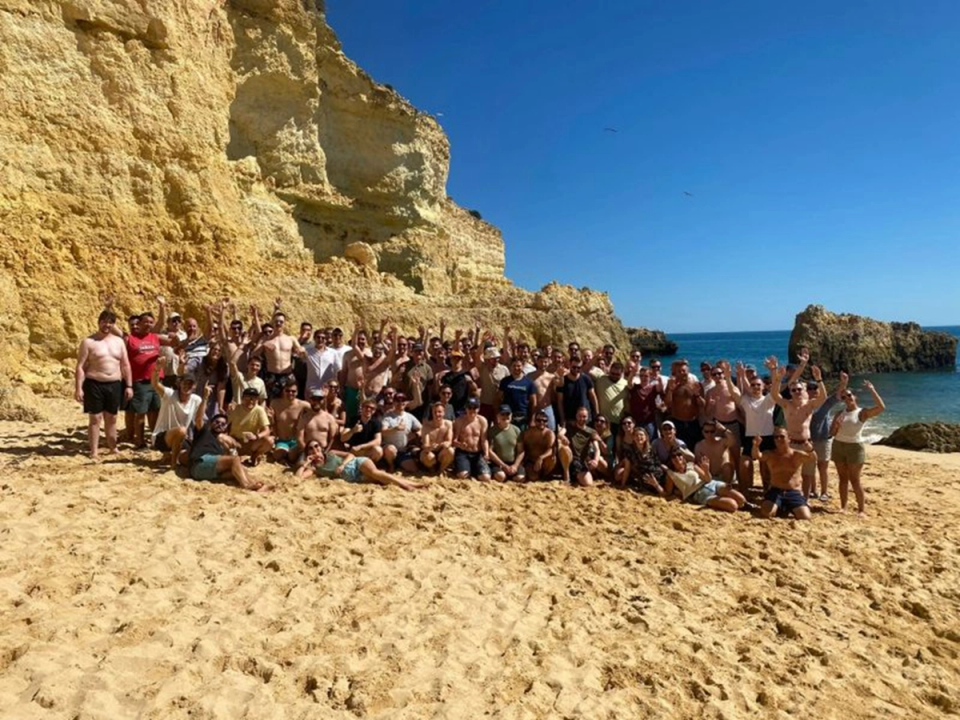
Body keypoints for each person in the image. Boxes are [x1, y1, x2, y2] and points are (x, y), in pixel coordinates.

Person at [75, 310, 134, 459]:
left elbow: (125, 364)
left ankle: (112, 448)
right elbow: (80, 366)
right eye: (104, 321)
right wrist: (78, 388)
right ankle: (94, 451)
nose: (107, 325)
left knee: (112, 418)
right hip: (94, 383)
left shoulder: (118, 342)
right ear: (99, 322)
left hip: (114, 384)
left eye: (110, 322)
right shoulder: (88, 342)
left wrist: (129, 385)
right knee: (95, 419)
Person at [187, 387, 266, 491]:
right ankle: (247, 485)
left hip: (209, 470)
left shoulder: (221, 442)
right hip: (200, 462)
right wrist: (205, 397)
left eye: (223, 424)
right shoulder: (205, 431)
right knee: (234, 460)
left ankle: (255, 484)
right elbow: (198, 419)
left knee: (237, 469)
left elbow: (233, 450)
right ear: (210, 424)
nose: (219, 425)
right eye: (217, 422)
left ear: (226, 428)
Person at [770, 360, 827, 499]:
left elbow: (823, 397)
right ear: (790, 392)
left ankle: (805, 499)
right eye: (793, 390)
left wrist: (819, 379)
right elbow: (774, 395)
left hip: (805, 443)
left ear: (804, 390)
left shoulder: (809, 405)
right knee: (789, 472)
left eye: (799, 389)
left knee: (807, 475)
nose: (796, 392)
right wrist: (777, 379)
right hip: (790, 444)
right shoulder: (787, 404)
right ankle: (789, 496)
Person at [830, 380, 885, 516]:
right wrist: (836, 426)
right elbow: (831, 433)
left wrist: (872, 389)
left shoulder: (862, 413)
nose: (847, 398)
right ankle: (843, 507)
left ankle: (861, 510)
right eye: (844, 397)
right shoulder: (839, 413)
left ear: (855, 397)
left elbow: (881, 408)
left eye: (849, 395)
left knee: (855, 480)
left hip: (855, 447)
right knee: (842, 478)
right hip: (838, 445)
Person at [653, 450, 747, 513]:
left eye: (679, 455)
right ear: (671, 461)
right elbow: (667, 493)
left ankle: (747, 506)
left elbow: (708, 479)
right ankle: (721, 500)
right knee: (733, 506)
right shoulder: (671, 475)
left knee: (741, 500)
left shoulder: (691, 465)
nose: (677, 458)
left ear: (683, 457)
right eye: (674, 457)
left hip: (711, 484)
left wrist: (706, 470)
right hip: (699, 494)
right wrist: (656, 485)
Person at [150, 357, 202, 467]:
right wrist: (157, 369)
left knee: (192, 459)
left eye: (190, 384)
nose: (187, 386)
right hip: (161, 437)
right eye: (185, 383)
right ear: (179, 384)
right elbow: (155, 384)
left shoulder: (196, 400)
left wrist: (206, 398)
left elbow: (199, 420)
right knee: (182, 430)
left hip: (181, 439)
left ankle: (168, 456)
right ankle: (174, 463)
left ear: (195, 386)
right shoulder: (170, 394)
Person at [734, 360, 777, 492]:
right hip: (750, 437)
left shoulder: (769, 400)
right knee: (745, 465)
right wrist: (737, 375)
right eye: (753, 385)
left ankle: (767, 493)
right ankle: (745, 493)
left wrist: (773, 371)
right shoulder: (746, 400)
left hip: (767, 436)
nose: (756, 387)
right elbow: (736, 391)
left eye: (759, 385)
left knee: (765, 468)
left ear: (764, 387)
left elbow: (776, 387)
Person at [754, 429, 815, 520]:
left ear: (789, 438)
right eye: (776, 437)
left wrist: (810, 449)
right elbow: (757, 456)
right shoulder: (770, 454)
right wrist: (756, 446)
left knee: (805, 517)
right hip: (776, 491)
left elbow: (812, 458)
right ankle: (782, 507)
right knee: (766, 513)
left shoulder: (796, 454)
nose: (779, 439)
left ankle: (786, 507)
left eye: (782, 436)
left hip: (793, 492)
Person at [809, 372, 849, 502]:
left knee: (823, 467)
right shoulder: (803, 404)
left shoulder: (825, 403)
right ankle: (813, 490)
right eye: (809, 389)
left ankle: (824, 492)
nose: (813, 391)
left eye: (815, 388)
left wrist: (843, 382)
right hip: (808, 440)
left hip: (823, 439)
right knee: (810, 467)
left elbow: (839, 395)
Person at [313, 448, 427, 491]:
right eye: (311, 449)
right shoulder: (315, 468)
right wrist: (308, 462)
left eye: (317, 447)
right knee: (382, 478)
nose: (315, 451)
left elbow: (351, 454)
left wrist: (342, 465)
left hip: (357, 464)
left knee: (375, 473)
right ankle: (415, 484)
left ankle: (407, 486)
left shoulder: (331, 453)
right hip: (356, 478)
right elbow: (299, 477)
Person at [227, 388, 274, 464]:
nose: (250, 401)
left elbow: (267, 430)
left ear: (257, 400)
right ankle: (233, 456)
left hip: (251, 443)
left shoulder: (259, 410)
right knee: (221, 438)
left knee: (270, 441)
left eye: (253, 399)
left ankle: (254, 455)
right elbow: (226, 424)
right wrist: (228, 412)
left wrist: (256, 436)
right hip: (235, 441)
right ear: (242, 398)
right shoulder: (235, 408)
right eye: (247, 398)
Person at [561, 406, 604, 487]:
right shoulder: (569, 425)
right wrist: (563, 437)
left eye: (584, 416)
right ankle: (567, 475)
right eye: (580, 416)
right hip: (570, 458)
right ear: (576, 416)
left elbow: (597, 449)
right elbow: (560, 434)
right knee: (564, 449)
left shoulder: (591, 432)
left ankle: (576, 476)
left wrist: (595, 460)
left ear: (588, 417)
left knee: (588, 483)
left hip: (582, 460)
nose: (581, 419)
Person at [664, 360, 703, 448]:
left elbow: (702, 405)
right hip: (678, 422)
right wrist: (670, 390)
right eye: (679, 371)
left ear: (688, 371)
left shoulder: (696, 384)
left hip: (693, 422)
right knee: (679, 449)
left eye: (683, 371)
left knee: (695, 448)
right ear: (675, 372)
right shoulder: (672, 385)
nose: (681, 373)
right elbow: (668, 403)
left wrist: (697, 395)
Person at [269, 381, 309, 464]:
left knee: (293, 456)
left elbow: (317, 413)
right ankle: (286, 457)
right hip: (281, 440)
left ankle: (289, 457)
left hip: (296, 440)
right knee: (277, 454)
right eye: (287, 391)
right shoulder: (275, 403)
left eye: (293, 391)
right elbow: (272, 422)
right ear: (283, 391)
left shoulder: (303, 405)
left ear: (297, 392)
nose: (290, 393)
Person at [452, 397, 491, 481]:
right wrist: (460, 445)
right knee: (462, 475)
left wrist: (486, 453)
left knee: (486, 477)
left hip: (477, 453)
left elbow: (484, 439)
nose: (472, 410)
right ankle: (467, 469)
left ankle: (474, 470)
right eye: (469, 407)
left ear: (478, 409)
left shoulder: (482, 421)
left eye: (475, 408)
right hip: (464, 453)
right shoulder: (459, 421)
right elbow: (454, 441)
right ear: (465, 408)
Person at [381, 393, 422, 473]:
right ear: (394, 402)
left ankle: (399, 463)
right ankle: (391, 465)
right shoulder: (388, 416)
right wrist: (395, 428)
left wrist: (415, 434)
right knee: (391, 450)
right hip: (389, 448)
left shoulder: (410, 416)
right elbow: (383, 432)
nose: (400, 403)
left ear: (406, 402)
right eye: (397, 400)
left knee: (413, 469)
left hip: (403, 450)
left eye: (403, 400)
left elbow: (421, 428)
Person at [556, 357, 599, 431]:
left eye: (579, 367)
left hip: (585, 418)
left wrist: (597, 414)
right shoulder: (563, 381)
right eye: (574, 367)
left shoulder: (586, 379)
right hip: (570, 418)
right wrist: (562, 418)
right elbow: (559, 401)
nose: (576, 370)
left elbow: (593, 397)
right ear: (569, 365)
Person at [521, 409, 564, 481]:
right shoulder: (528, 433)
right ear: (534, 421)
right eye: (539, 420)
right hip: (531, 461)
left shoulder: (549, 433)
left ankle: (546, 475)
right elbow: (522, 448)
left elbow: (551, 449)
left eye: (544, 421)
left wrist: (541, 457)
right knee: (533, 478)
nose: (541, 423)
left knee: (552, 459)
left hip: (543, 460)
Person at [487, 405, 525, 482]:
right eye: (502, 414)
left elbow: (521, 451)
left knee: (521, 478)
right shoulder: (492, 431)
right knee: (500, 476)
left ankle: (511, 478)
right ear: (497, 416)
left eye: (507, 414)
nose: (505, 417)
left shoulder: (516, 430)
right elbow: (490, 451)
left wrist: (515, 465)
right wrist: (504, 466)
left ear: (511, 416)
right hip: (499, 464)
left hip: (513, 463)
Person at [497, 358, 537, 429]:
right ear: (511, 367)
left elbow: (534, 402)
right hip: (507, 415)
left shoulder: (529, 382)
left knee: (521, 438)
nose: (516, 368)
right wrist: (498, 415)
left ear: (522, 367)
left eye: (518, 366)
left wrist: (532, 419)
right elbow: (498, 399)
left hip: (522, 416)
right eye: (514, 366)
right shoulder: (505, 381)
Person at [340, 399, 384, 463]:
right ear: (362, 408)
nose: (369, 409)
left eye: (372, 408)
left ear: (374, 411)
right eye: (366, 407)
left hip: (367, 450)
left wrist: (360, 446)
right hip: (354, 451)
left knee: (378, 450)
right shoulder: (353, 420)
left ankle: (369, 466)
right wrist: (353, 431)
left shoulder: (376, 423)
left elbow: (378, 441)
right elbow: (342, 438)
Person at [419, 401, 455, 475]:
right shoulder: (427, 426)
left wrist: (444, 444)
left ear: (444, 413)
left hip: (441, 452)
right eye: (434, 412)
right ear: (432, 413)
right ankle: (432, 470)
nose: (437, 414)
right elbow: (425, 445)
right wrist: (430, 447)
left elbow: (449, 441)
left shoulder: (448, 424)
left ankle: (441, 469)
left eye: (439, 412)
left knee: (450, 451)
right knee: (427, 456)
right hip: (430, 451)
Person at [595, 361, 628, 438]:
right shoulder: (600, 379)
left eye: (617, 374)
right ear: (609, 371)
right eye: (612, 373)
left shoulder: (626, 384)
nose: (614, 376)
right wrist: (596, 357)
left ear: (622, 373)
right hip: (603, 421)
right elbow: (586, 370)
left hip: (619, 421)